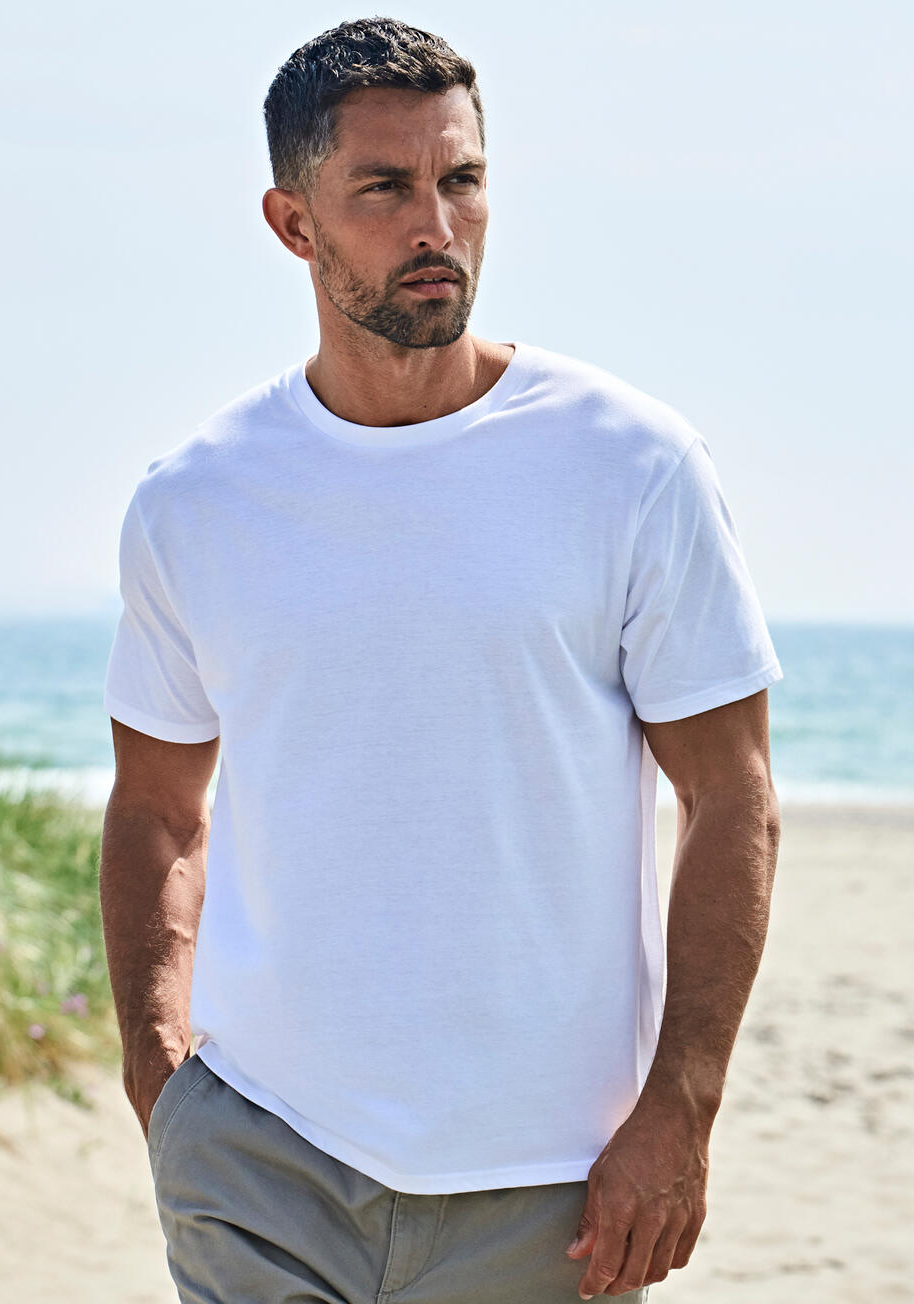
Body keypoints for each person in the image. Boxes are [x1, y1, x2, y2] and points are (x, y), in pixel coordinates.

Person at [99, 16, 783, 1304]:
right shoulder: (195, 500)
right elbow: (157, 808)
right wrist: (160, 1069)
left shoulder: (632, 466)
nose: (437, 225)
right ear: (293, 223)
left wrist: (680, 1109)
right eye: (384, 188)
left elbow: (732, 796)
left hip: (553, 1185)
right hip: (259, 1158)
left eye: (460, 179)